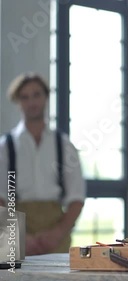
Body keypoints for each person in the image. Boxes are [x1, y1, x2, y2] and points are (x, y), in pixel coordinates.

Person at [0, 73, 86, 255]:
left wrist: (57, 233)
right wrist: (18, 236)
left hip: (56, 232)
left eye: (37, 95)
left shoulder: (64, 145)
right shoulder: (5, 147)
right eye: (25, 97)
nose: (32, 102)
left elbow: (76, 198)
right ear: (18, 102)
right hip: (13, 229)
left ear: (46, 97)